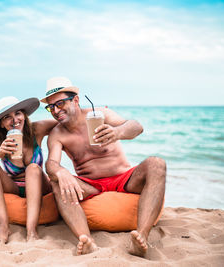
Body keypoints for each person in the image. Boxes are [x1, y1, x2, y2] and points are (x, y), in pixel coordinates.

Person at [42, 77, 166, 257]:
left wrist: (118, 132)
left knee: (157, 164)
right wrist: (61, 172)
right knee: (57, 182)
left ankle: (141, 237)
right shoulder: (57, 134)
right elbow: (51, 164)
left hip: (124, 178)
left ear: (75, 100)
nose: (55, 110)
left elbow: (136, 127)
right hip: (91, 185)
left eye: (60, 104)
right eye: (51, 107)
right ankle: (86, 240)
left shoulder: (99, 114)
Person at [0, 96, 57, 243]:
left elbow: (67, 123)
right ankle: (4, 227)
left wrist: (103, 117)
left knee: (33, 168)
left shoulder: (37, 129)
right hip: (15, 187)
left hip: (40, 184)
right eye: (7, 117)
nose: (15, 119)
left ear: (24, 115)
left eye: (18, 113)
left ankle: (31, 231)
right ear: (2, 124)